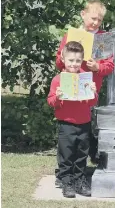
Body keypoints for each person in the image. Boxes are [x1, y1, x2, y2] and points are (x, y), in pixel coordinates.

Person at [55, 0, 114, 186]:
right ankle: (65, 173)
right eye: (93, 18)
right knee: (68, 132)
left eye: (99, 20)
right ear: (83, 14)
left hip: (90, 92)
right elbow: (58, 61)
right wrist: (69, 61)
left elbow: (110, 65)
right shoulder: (72, 34)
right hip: (69, 91)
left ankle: (82, 171)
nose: (96, 23)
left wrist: (97, 66)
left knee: (86, 132)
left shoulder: (104, 38)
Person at [48, 41, 98, 198]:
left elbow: (92, 102)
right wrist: (58, 96)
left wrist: (93, 92)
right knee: (66, 155)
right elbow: (50, 101)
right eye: (71, 60)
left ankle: (79, 181)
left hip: (84, 123)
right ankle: (67, 182)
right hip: (66, 124)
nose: (74, 64)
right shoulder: (58, 80)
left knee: (81, 155)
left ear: (82, 60)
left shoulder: (85, 79)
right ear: (63, 59)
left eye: (77, 60)